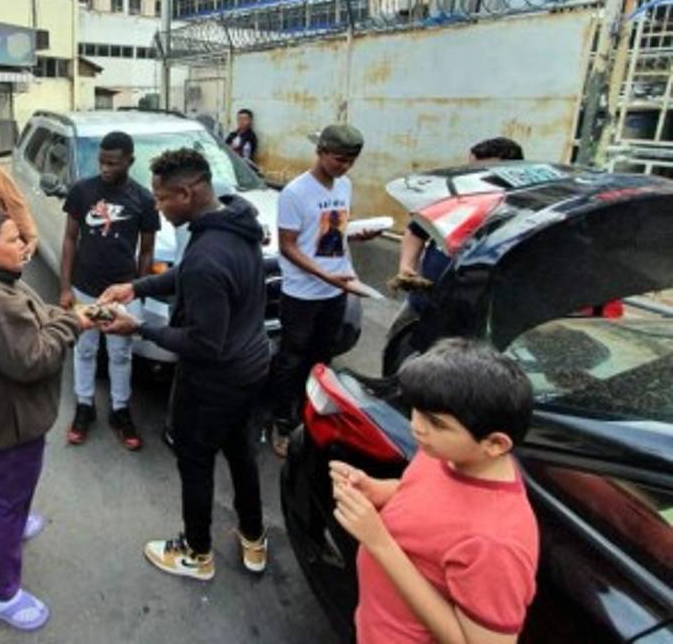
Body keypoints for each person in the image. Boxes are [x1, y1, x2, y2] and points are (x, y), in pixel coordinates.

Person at [99, 148, 272, 581]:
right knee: (241, 454)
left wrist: (138, 328)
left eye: (161, 199)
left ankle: (197, 553)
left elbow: (203, 343)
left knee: (195, 462)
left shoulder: (208, 256)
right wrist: (135, 287)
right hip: (251, 366)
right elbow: (185, 274)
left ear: (187, 192)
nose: (157, 208)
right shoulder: (235, 219)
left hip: (214, 380)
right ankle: (254, 538)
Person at [331, 339, 538, 644]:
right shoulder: (448, 453)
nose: (416, 427)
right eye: (415, 410)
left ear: (495, 444)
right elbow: (427, 499)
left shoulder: (496, 544)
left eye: (436, 422)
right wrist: (379, 490)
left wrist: (380, 543)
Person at [0, 209, 93, 631]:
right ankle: (0, 591)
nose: (24, 244)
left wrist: (74, 315)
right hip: (9, 419)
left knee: (1, 486)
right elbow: (34, 358)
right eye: (13, 239)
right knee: (7, 495)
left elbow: (37, 315)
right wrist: (75, 324)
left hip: (2, 415)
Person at [264, 123, 381, 458]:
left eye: (351, 161)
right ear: (321, 152)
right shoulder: (296, 193)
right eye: (339, 158)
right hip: (302, 293)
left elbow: (331, 234)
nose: (343, 166)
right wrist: (325, 277)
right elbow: (288, 246)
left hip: (336, 290)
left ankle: (312, 415)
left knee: (322, 358)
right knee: (291, 360)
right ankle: (282, 422)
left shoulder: (345, 185)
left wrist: (356, 234)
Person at [384, 137, 525, 376]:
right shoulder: (457, 197)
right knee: (399, 364)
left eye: (484, 173)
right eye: (472, 171)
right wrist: (407, 267)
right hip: (422, 307)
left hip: (473, 323)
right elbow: (415, 232)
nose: (475, 179)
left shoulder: (520, 212)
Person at [58, 130, 159, 450]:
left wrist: (138, 289)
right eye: (101, 161)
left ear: (129, 161)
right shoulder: (82, 191)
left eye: (112, 162)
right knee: (85, 349)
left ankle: (120, 410)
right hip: (86, 288)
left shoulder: (143, 199)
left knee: (120, 353)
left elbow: (146, 251)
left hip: (122, 292)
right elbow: (70, 239)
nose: (105, 167)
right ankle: (84, 406)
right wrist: (65, 286)